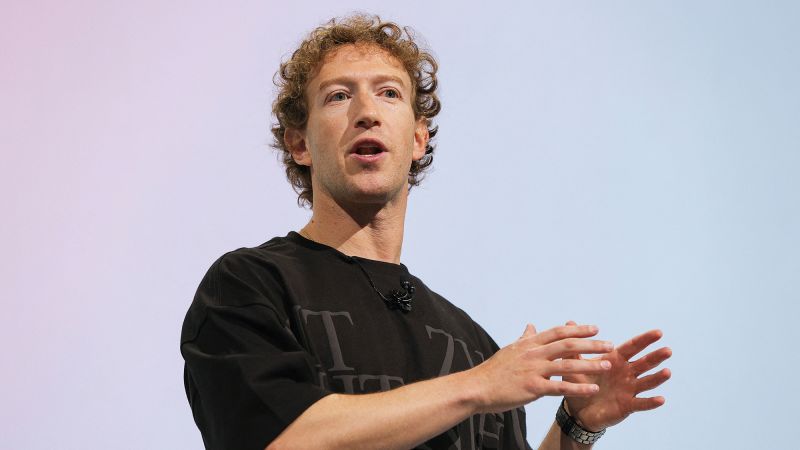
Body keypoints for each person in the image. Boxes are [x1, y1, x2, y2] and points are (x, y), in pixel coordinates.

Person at [180, 14, 672, 450]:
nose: (367, 112)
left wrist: (575, 428)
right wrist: (477, 387)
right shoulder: (250, 285)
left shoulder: (472, 344)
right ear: (299, 144)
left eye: (389, 93)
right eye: (338, 96)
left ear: (417, 139)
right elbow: (280, 440)